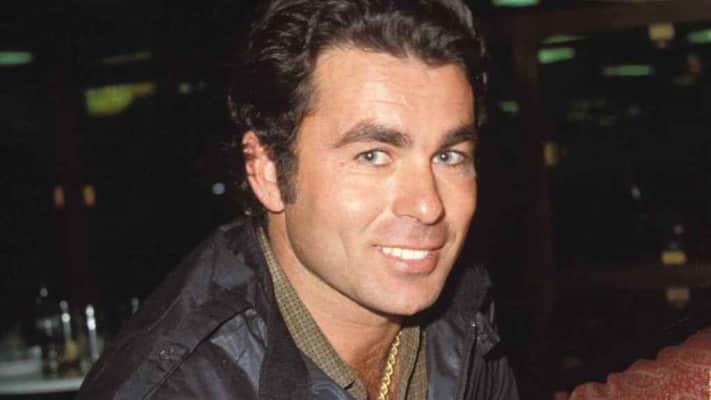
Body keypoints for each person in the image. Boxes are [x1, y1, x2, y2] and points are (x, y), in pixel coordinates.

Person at [78, 0, 519, 398]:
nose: (428, 206)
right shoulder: (178, 388)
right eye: (372, 155)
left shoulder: (466, 318)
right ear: (267, 171)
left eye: (448, 155)